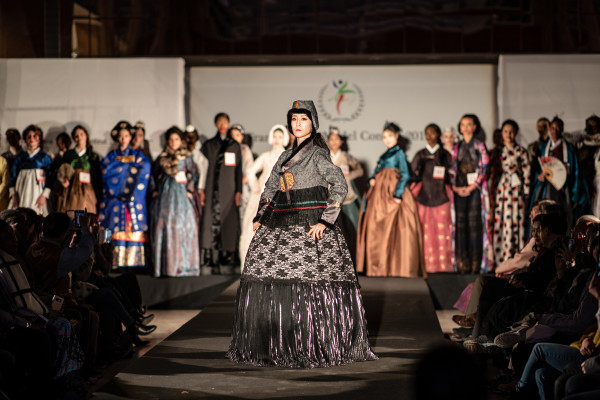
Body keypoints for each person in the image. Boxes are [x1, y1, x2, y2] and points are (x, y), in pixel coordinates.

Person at [228, 100, 377, 368]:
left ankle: (314, 343)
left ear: (313, 124)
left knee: (310, 283)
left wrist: (325, 220)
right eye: (294, 119)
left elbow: (339, 185)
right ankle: (279, 342)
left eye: (303, 119)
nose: (298, 124)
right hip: (281, 221)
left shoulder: (318, 154)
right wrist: (260, 216)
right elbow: (270, 187)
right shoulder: (284, 156)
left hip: (311, 225)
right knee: (269, 274)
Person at [356, 122, 425, 277]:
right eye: (384, 137)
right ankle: (378, 267)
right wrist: (372, 178)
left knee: (397, 228)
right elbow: (376, 170)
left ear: (396, 136)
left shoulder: (399, 153)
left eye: (390, 136)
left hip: (392, 190)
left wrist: (398, 195)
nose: (387, 139)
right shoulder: (385, 154)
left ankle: (396, 267)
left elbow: (405, 174)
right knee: (377, 227)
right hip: (379, 193)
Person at [99, 121, 151, 270]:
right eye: (121, 136)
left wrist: (121, 172)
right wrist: (126, 171)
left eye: (126, 136)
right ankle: (115, 261)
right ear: (117, 138)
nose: (123, 139)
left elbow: (145, 168)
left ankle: (134, 262)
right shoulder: (111, 156)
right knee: (113, 228)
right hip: (115, 200)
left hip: (132, 199)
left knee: (132, 227)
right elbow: (106, 172)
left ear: (130, 137)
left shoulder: (138, 155)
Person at [151, 126, 200, 277]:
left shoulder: (186, 157)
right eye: (171, 139)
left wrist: (190, 189)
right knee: (165, 226)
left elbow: (194, 175)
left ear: (181, 141)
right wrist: (155, 190)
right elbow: (153, 176)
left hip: (182, 195)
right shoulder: (162, 157)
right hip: (165, 196)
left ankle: (184, 265)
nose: (173, 142)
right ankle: (166, 266)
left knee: (184, 226)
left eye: (176, 139)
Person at [239, 124, 288, 266]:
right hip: (261, 196)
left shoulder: (288, 157)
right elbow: (250, 171)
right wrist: (256, 187)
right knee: (251, 230)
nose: (277, 139)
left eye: (280, 137)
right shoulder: (265, 156)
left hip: (279, 198)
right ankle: (249, 266)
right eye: (275, 136)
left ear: (284, 138)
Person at [530, 116, 590, 230]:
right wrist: (539, 176)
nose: (555, 131)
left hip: (564, 190)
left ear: (562, 129)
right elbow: (535, 170)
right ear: (549, 129)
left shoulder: (570, 149)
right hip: (545, 189)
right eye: (552, 128)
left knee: (562, 218)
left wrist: (575, 196)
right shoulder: (542, 148)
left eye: (558, 128)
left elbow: (577, 173)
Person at [200, 112, 242, 275]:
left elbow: (238, 171)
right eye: (220, 122)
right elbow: (202, 169)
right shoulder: (208, 145)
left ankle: (227, 256)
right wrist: (201, 190)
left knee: (228, 221)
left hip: (228, 189)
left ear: (229, 124)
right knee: (209, 221)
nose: (223, 125)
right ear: (216, 125)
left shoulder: (234, 146)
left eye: (225, 122)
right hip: (211, 187)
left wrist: (238, 191)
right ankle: (210, 257)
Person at [449, 114, 491, 274]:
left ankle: (476, 263)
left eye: (469, 124)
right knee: (460, 226)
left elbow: (485, 167)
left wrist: (473, 186)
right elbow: (451, 168)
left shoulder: (480, 145)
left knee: (474, 225)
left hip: (475, 191)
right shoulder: (456, 146)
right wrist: (455, 187)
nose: (465, 127)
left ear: (475, 127)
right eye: (463, 124)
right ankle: (462, 263)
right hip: (459, 189)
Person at [410, 123, 454, 273]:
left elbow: (452, 173)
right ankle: (426, 264)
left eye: (432, 133)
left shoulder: (445, 154)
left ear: (439, 135)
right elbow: (413, 174)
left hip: (442, 195)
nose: (429, 136)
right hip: (424, 196)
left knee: (443, 230)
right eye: (426, 133)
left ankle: (444, 264)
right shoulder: (420, 154)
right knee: (425, 231)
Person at [488, 119, 530, 269]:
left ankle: (516, 260)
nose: (508, 134)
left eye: (511, 131)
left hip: (516, 191)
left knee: (516, 221)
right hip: (502, 190)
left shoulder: (521, 151)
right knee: (502, 221)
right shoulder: (497, 151)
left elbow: (526, 171)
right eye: (505, 131)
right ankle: (502, 260)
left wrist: (526, 191)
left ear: (516, 133)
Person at [328, 126, 364, 265]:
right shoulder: (325, 156)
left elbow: (360, 170)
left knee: (354, 227)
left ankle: (357, 260)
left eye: (337, 139)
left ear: (341, 141)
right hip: (330, 198)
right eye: (331, 139)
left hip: (348, 197)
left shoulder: (347, 156)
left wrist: (349, 176)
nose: (334, 142)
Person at [55, 125, 103, 214]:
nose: (79, 137)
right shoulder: (68, 154)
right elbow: (62, 171)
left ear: (86, 135)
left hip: (88, 189)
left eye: (81, 134)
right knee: (71, 212)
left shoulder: (93, 155)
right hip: (72, 189)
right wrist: (64, 180)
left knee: (87, 213)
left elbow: (97, 176)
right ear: (74, 138)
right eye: (76, 136)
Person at [9, 125, 54, 216]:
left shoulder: (45, 157)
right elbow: (12, 176)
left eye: (34, 136)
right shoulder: (20, 158)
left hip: (38, 194)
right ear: (25, 139)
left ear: (39, 138)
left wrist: (44, 195)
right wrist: (13, 194)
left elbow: (51, 177)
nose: (31, 139)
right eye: (29, 137)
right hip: (22, 193)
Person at [228, 124, 254, 230]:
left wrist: (239, 184)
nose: (235, 138)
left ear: (242, 137)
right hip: (229, 186)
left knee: (243, 214)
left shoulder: (245, 150)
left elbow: (250, 171)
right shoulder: (227, 149)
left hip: (242, 186)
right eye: (232, 135)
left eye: (237, 135)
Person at [184, 125, 209, 213]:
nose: (190, 139)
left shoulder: (201, 155)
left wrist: (201, 190)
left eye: (192, 136)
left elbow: (203, 173)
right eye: (188, 137)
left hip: (196, 188)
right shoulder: (181, 153)